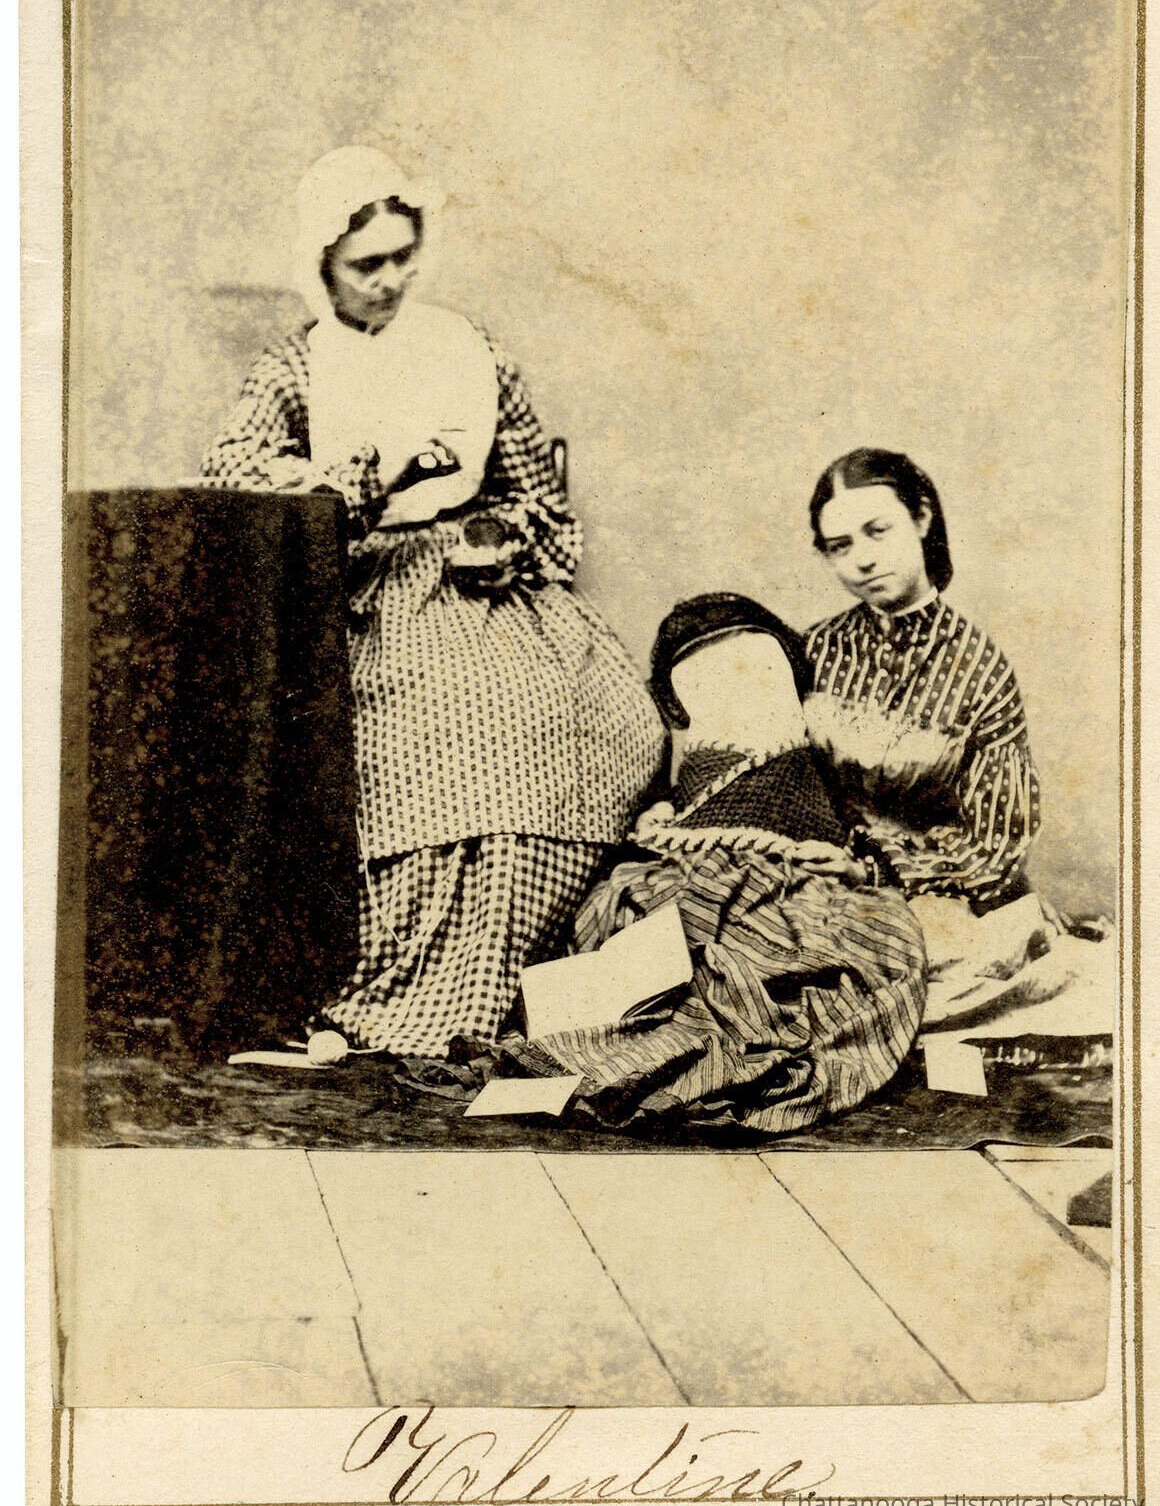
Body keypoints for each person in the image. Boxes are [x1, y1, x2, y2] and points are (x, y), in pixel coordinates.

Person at [200, 145, 663, 1056]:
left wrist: (503, 535)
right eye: (365, 264)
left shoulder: (468, 349)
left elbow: (536, 492)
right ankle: (418, 990)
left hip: (484, 583)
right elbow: (233, 476)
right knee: (441, 725)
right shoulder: (297, 366)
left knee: (574, 713)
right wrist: (362, 483)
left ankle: (518, 977)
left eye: (403, 257)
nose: (389, 280)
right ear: (321, 264)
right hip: (363, 592)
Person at [513, 593, 928, 1135]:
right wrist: (666, 828)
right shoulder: (686, 771)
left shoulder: (812, 756)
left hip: (798, 887)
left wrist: (856, 868)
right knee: (655, 939)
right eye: (711, 679)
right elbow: (665, 819)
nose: (743, 688)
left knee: (804, 959)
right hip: (685, 876)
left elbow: (859, 830)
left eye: (761, 671)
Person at [802, 447, 1040, 913]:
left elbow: (997, 847)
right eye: (841, 546)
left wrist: (871, 870)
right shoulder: (813, 648)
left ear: (922, 518)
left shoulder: (981, 669)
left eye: (878, 531)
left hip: (941, 896)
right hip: (813, 880)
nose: (863, 560)